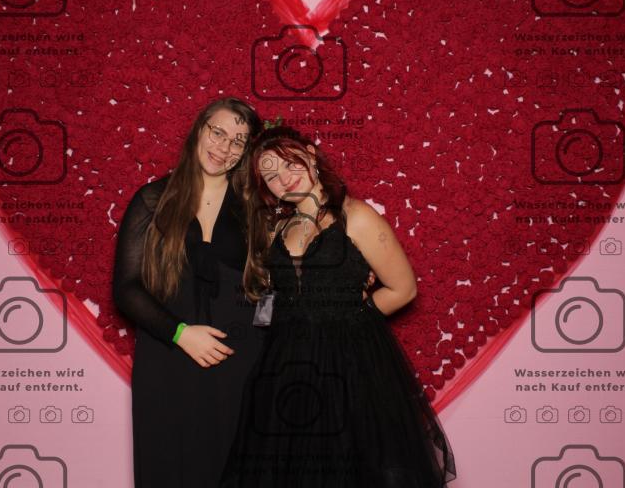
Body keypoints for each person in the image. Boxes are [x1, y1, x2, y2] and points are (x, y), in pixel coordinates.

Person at [220, 125, 458, 487]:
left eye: (289, 163)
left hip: (351, 367)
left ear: (311, 155)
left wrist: (349, 312)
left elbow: (403, 289)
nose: (283, 178)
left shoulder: (357, 217)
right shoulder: (276, 229)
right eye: (270, 175)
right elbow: (275, 297)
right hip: (287, 367)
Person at [112, 97, 267, 488]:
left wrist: (263, 345)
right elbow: (126, 288)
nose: (224, 147)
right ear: (200, 129)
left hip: (238, 365)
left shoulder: (255, 209)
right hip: (167, 360)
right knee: (170, 468)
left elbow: (270, 288)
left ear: (245, 152)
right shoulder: (152, 200)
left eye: (238, 141)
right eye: (218, 132)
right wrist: (181, 333)